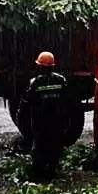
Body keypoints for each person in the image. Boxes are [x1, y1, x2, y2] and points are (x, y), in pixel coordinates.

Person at [17, 51, 71, 180]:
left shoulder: (35, 82)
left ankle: (38, 172)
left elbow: (26, 103)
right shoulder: (61, 80)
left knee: (39, 146)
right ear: (53, 66)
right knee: (55, 145)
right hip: (57, 121)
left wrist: (21, 118)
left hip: (40, 121)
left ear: (40, 66)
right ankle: (52, 171)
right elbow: (68, 101)